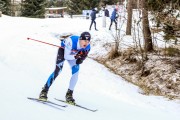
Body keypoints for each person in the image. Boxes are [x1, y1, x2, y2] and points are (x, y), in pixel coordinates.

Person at [39, 32, 91, 104]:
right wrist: (77, 56)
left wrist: (81, 59)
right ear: (80, 39)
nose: (86, 43)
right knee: (58, 71)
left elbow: (82, 57)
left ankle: (69, 94)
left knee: (76, 72)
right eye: (85, 41)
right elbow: (66, 56)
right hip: (63, 51)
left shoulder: (88, 47)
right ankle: (44, 91)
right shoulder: (71, 41)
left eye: (88, 41)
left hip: (74, 54)